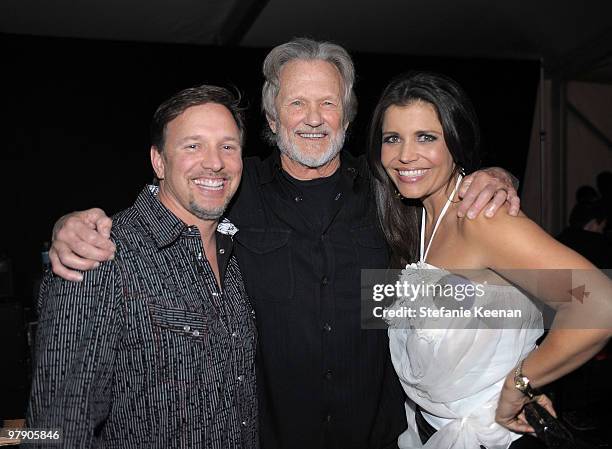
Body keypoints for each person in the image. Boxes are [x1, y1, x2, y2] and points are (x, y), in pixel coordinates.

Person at [47, 39, 520, 449]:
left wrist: (495, 177)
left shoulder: (390, 192)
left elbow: (485, 293)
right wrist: (69, 228)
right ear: (272, 117)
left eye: (328, 104)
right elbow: (51, 424)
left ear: (348, 116)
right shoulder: (234, 188)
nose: (313, 119)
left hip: (382, 439)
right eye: (297, 103)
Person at [367, 71, 612, 448]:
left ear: (456, 142)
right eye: (392, 138)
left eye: (426, 137)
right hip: (426, 431)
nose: (404, 155)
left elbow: (598, 305)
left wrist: (522, 383)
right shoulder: (415, 217)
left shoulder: (482, 218)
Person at [28, 85, 258, 448]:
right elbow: (54, 430)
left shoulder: (238, 254)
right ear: (159, 161)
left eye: (228, 146)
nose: (214, 162)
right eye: (193, 145)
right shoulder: (99, 254)